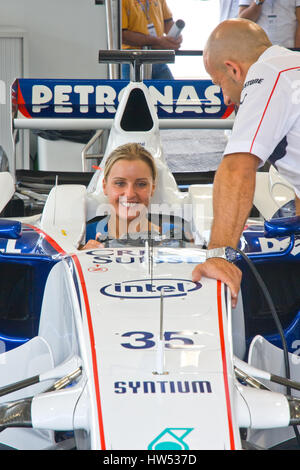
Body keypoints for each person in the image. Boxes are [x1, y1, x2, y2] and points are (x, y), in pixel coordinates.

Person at [191, 18, 300, 307]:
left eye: (219, 84)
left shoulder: (268, 73)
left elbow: (237, 168)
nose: (226, 97)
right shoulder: (292, 66)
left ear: (233, 69)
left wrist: (217, 256)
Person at [82, 143, 158, 249]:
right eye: (120, 183)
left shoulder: (178, 239)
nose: (130, 194)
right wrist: (81, 258)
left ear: (152, 188)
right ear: (105, 186)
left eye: (141, 184)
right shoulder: (80, 237)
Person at [121, 0, 182, 80]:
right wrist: (158, 41)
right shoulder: (122, 2)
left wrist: (174, 36)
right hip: (132, 59)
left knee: (172, 90)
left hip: (157, 57)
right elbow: (122, 35)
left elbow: (168, 21)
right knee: (134, 91)